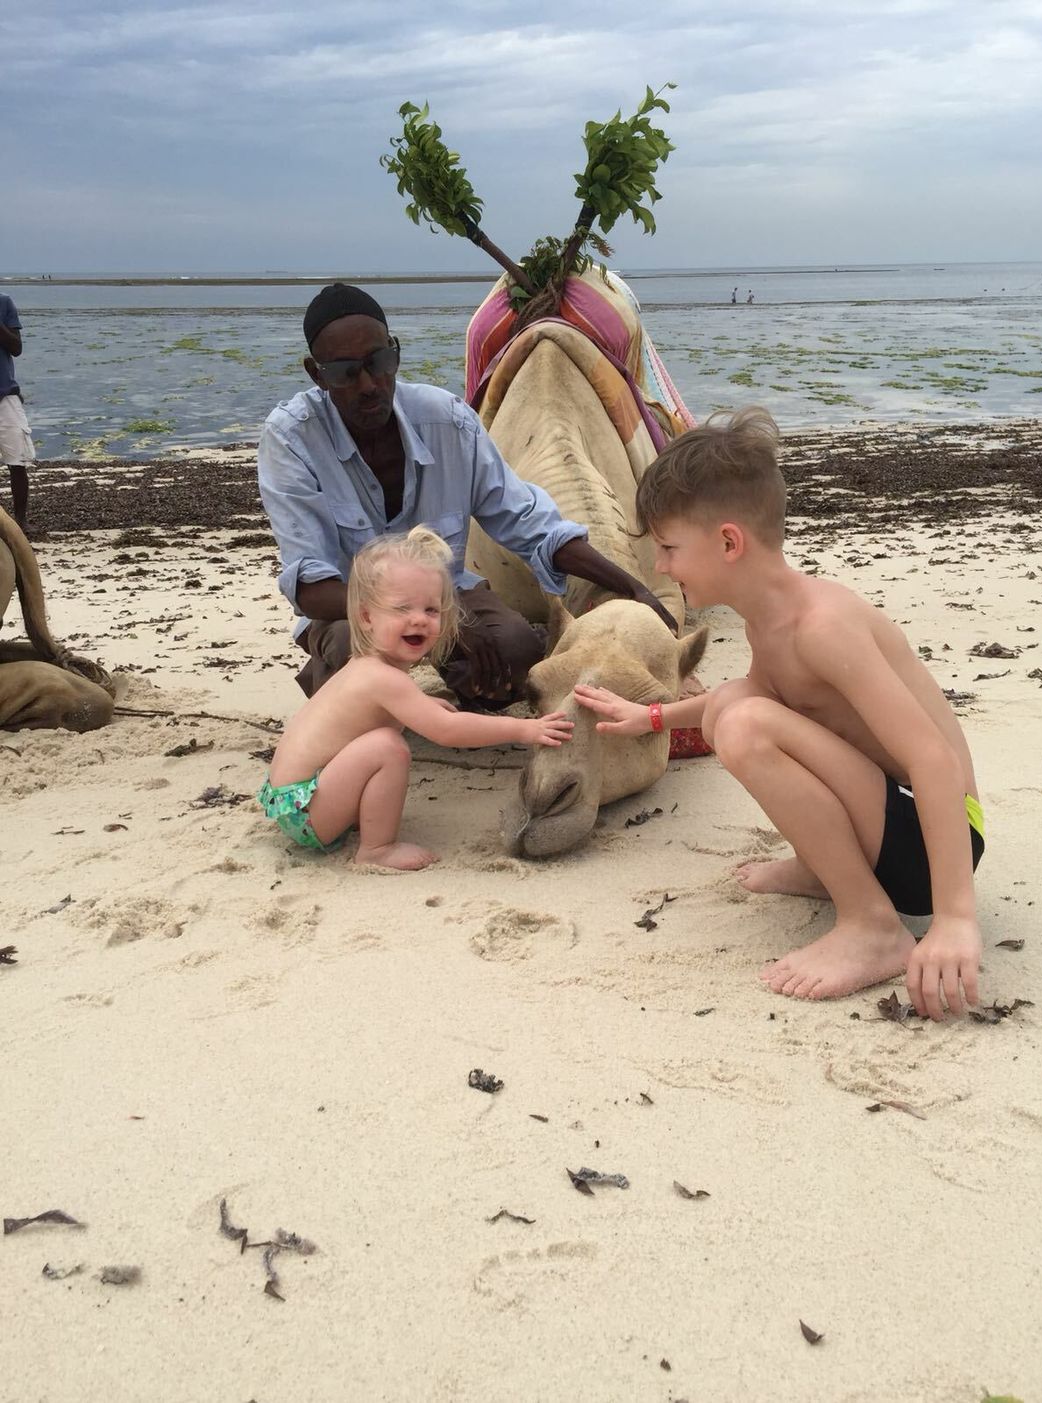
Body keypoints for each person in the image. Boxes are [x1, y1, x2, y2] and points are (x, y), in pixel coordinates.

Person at [573, 407, 985, 1020]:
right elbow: (748, 696)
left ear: (729, 541)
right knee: (735, 706)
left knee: (742, 722)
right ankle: (828, 869)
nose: (658, 567)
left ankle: (873, 924)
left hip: (937, 837)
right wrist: (651, 717)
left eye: (667, 547)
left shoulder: (823, 626)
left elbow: (932, 758)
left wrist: (954, 917)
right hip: (892, 820)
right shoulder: (770, 620)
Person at [258, 283, 676, 706]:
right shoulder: (290, 440)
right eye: (346, 372)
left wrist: (633, 587)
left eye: (380, 362)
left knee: (515, 654)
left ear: (395, 352)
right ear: (316, 374)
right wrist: (441, 619)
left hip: (448, 592)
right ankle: (346, 684)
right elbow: (310, 589)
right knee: (353, 646)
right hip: (353, 607)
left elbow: (531, 523)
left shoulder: (449, 422)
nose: (369, 384)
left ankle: (436, 690)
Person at [258, 527, 573, 870]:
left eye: (431, 610)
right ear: (366, 617)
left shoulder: (364, 666)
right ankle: (376, 850)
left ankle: (355, 817)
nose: (419, 620)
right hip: (306, 811)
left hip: (291, 798)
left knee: (382, 737)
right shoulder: (384, 679)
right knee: (388, 748)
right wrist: (522, 730)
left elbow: (365, 720)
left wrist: (423, 709)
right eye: (402, 608)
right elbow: (448, 731)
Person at [0, 293, 35, 532]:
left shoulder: (4, 303)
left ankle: (20, 522)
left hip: (6, 394)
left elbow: (16, 347)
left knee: (18, 461)